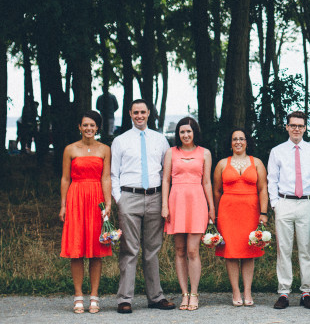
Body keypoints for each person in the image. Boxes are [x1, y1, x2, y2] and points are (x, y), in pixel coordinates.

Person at [111, 99, 175, 314]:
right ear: (130, 113)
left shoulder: (160, 140)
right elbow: (114, 174)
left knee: (152, 250)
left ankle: (156, 297)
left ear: (149, 113)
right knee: (129, 249)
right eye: (135, 112)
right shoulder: (120, 141)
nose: (139, 116)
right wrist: (120, 199)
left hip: (155, 197)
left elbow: (166, 173)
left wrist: (164, 201)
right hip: (130, 196)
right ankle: (124, 298)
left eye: (143, 112)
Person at [267, 111, 310, 309]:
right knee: (284, 250)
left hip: (306, 203)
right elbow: (272, 179)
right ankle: (284, 292)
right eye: (293, 125)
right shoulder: (277, 151)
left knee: (306, 249)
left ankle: (306, 292)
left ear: (305, 128)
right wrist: (275, 204)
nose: (296, 129)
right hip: (285, 203)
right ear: (287, 127)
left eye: (300, 125)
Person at [60, 110, 112, 314]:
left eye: (92, 125)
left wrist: (108, 203)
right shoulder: (70, 149)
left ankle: (94, 296)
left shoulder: (105, 149)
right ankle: (78, 295)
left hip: (96, 198)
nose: (89, 128)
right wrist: (63, 205)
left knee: (96, 250)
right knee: (76, 248)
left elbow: (106, 177)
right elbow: (65, 178)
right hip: (76, 197)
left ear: (97, 128)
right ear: (79, 127)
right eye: (85, 125)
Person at [161, 117, 215, 311]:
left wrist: (211, 207)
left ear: (195, 133)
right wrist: (164, 206)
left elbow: (207, 182)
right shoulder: (171, 153)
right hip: (176, 201)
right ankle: (184, 293)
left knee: (193, 250)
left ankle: (194, 293)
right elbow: (166, 180)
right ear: (178, 134)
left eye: (189, 132)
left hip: (197, 201)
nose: (185, 135)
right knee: (179, 250)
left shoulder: (204, 153)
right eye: (182, 132)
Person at [214, 128, 269, 306]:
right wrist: (214, 214)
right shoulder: (222, 163)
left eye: (241, 139)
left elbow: (263, 189)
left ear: (247, 142)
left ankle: (247, 291)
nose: (238, 142)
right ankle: (236, 292)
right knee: (230, 252)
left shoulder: (257, 162)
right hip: (227, 211)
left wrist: (263, 212)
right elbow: (216, 190)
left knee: (248, 252)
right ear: (230, 144)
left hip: (251, 210)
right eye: (234, 139)